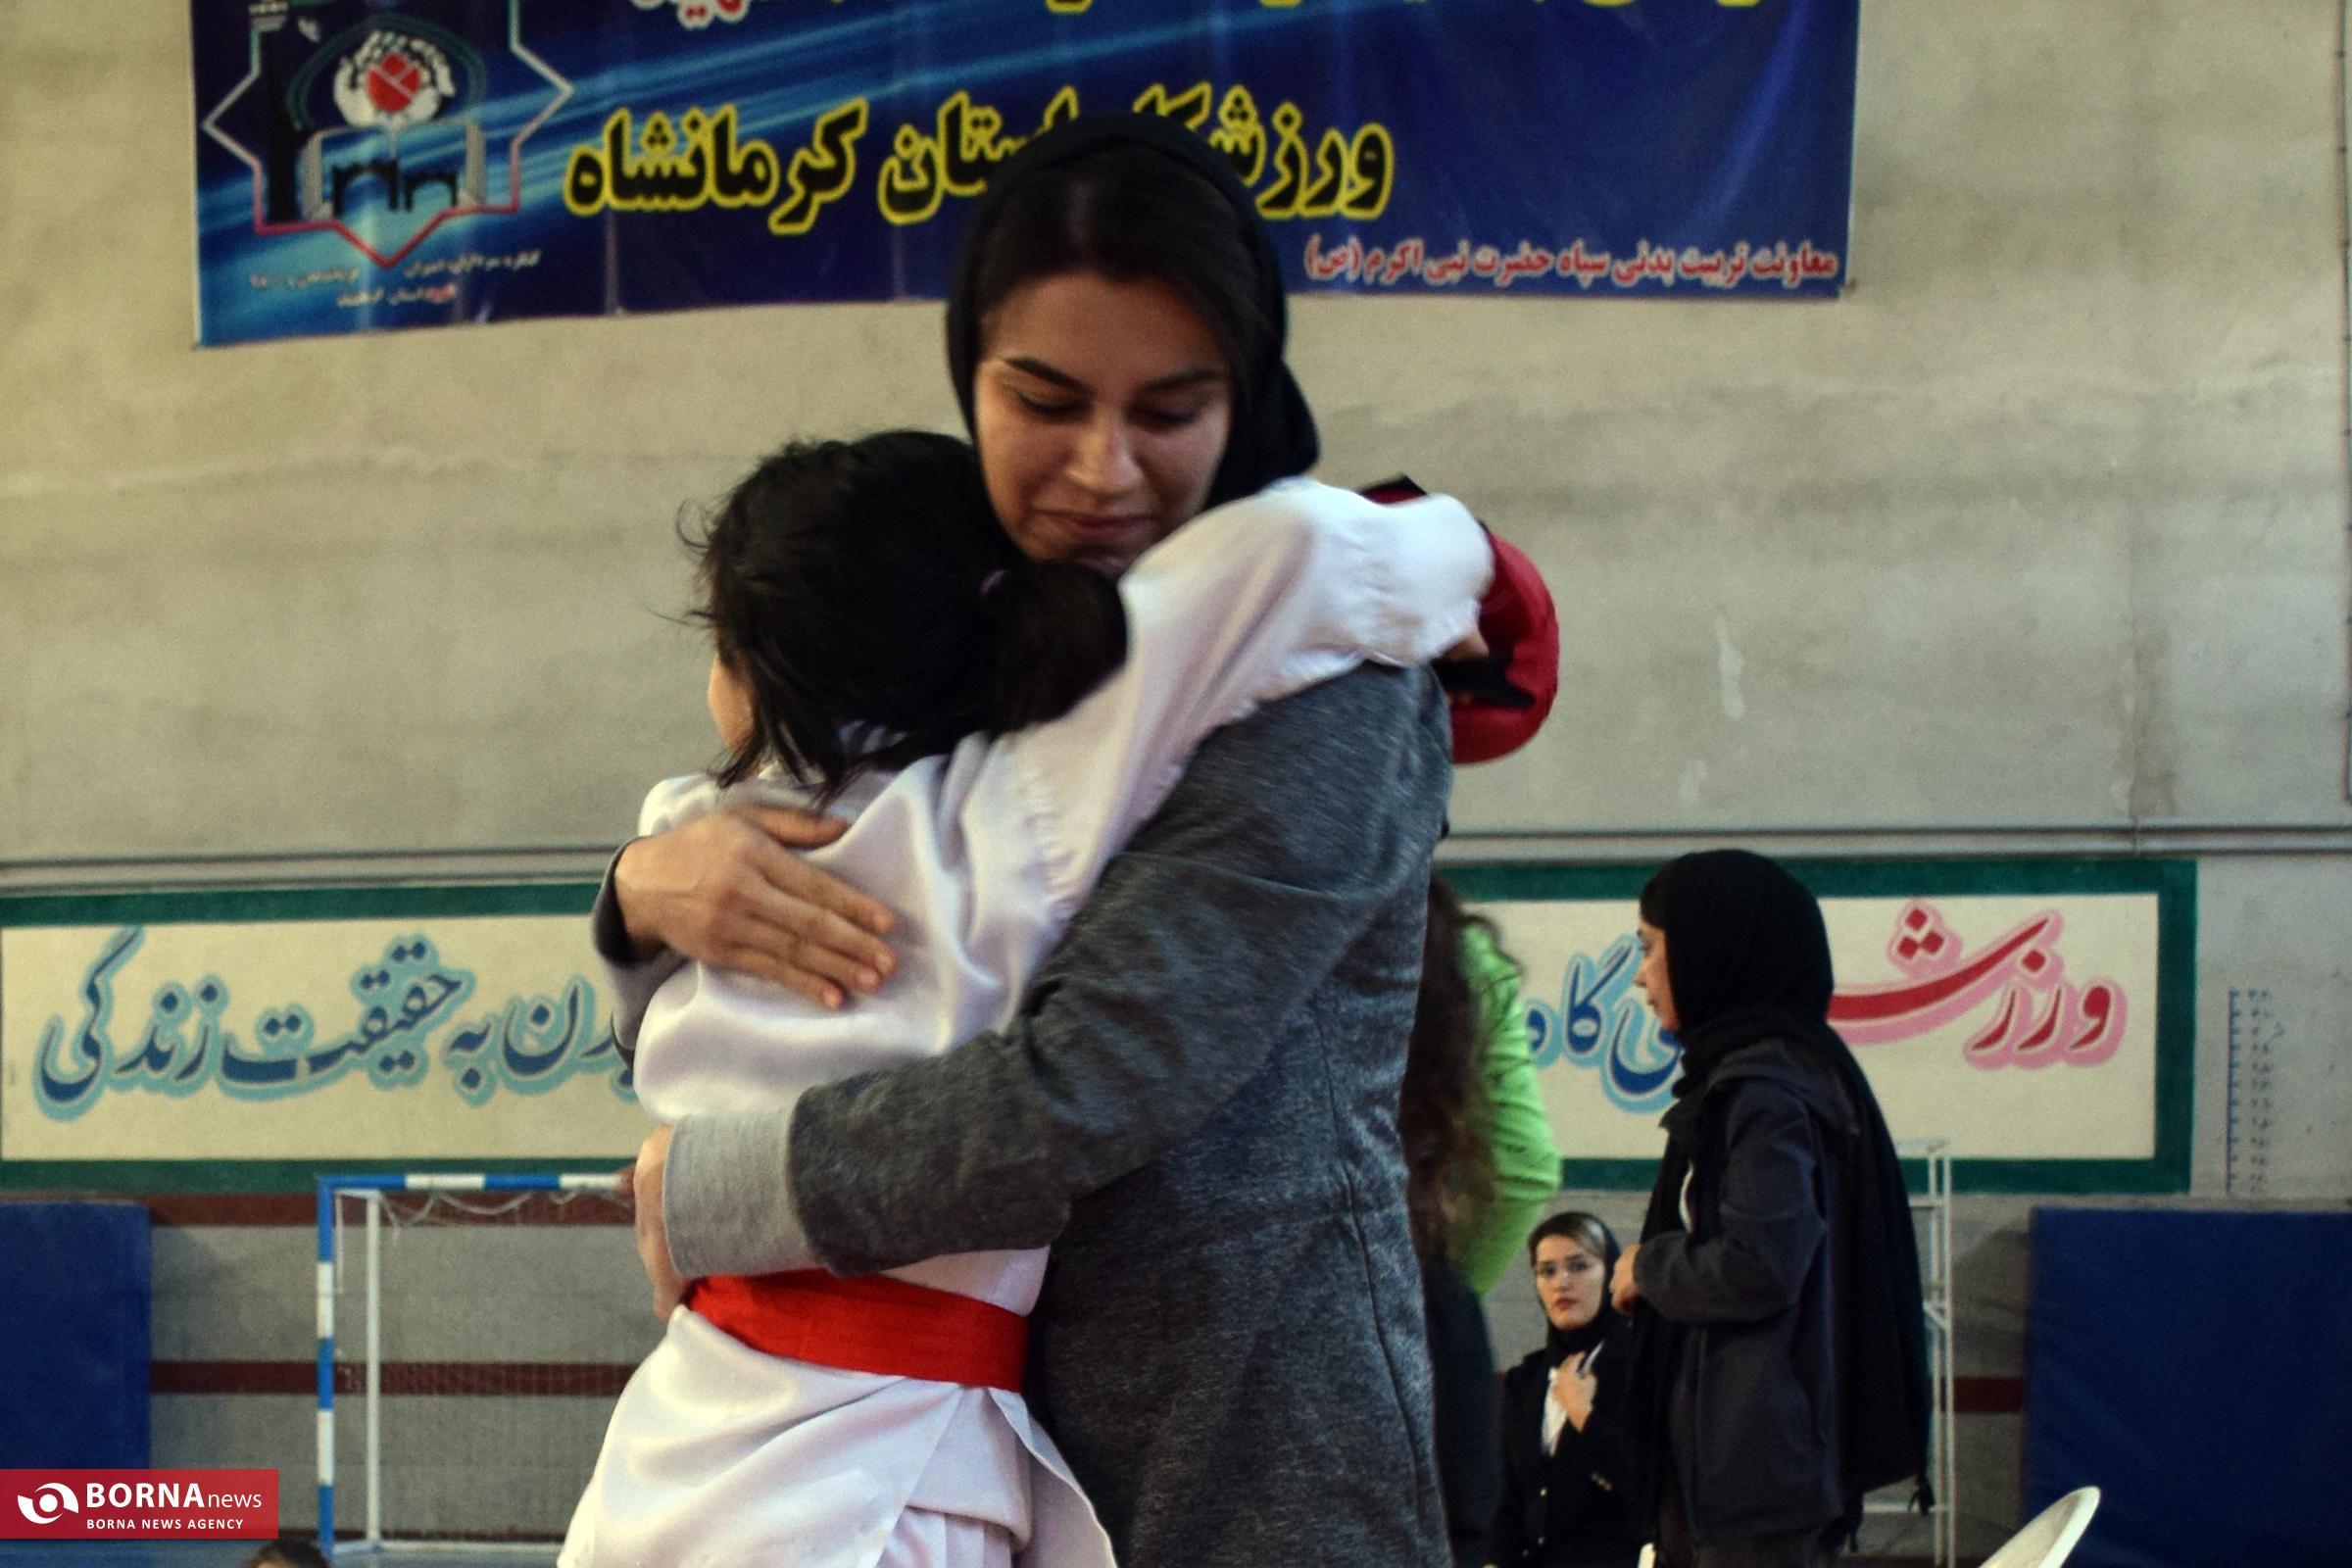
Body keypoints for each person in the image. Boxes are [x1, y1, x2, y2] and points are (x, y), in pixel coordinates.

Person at [595, 114, 1559, 1567]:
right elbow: (825, 955)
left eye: (1171, 409)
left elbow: (1094, 1079)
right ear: (969, 378)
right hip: (962, 1448)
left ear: (1246, 396)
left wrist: (707, 1186)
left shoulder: (1329, 687)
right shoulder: (981, 623)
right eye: (1043, 400)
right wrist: (643, 897)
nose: (1103, 469)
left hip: (1231, 1451)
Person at [1610, 851, 1931, 1568]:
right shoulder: (1759, 1076)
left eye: (1650, 947)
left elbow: (1759, 1266)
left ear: (1711, 950)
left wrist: (1647, 1267)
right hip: (1739, 1468)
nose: (1639, 975)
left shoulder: (1766, 1091)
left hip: (1755, 1475)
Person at [1405, 874, 1562, 1565]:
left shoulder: (1231, 916)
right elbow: (1522, 1169)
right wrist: (1434, 1293)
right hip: (1421, 1328)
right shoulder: (1453, 950)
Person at [1487, 1212, 1641, 1568]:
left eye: (1579, 1266)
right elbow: (1509, 1495)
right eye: (1547, 1271)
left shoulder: (1640, 1365)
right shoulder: (1528, 1378)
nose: (1562, 1282)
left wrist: (1583, 1413)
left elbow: (1646, 1484)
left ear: (1610, 1274)